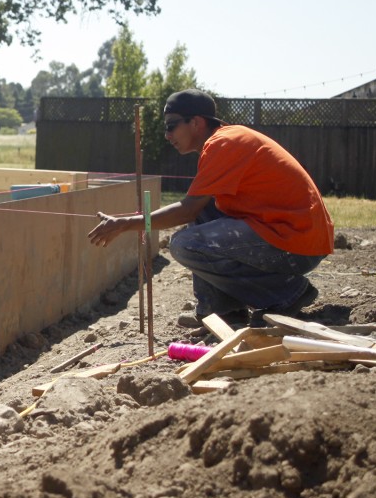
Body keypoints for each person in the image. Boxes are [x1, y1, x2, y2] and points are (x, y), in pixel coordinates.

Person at [88, 88, 333, 327]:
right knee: (205, 214)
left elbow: (187, 210)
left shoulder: (224, 143)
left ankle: (287, 293)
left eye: (171, 126)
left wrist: (125, 224)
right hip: (293, 235)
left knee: (185, 245)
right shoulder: (225, 141)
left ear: (195, 122)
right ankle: (224, 311)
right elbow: (196, 209)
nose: (167, 135)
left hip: (298, 244)